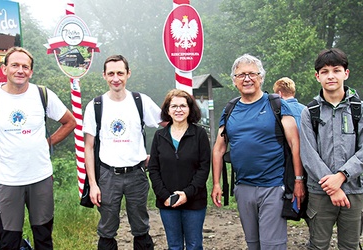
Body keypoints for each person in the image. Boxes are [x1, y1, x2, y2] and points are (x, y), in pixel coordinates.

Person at [0, 46, 76, 249]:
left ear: (31, 72)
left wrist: (47, 143)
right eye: (14, 65)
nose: (20, 70)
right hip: (7, 181)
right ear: (4, 68)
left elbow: (69, 122)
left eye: (25, 66)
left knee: (43, 239)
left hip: (40, 178)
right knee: (8, 241)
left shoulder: (43, 95)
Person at [211, 54, 305, 250]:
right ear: (234, 80)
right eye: (241, 75)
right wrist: (217, 183)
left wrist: (298, 180)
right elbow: (219, 149)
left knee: (273, 246)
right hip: (243, 187)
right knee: (253, 244)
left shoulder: (277, 105)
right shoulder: (230, 109)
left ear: (261, 77)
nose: (247, 79)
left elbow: (295, 144)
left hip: (273, 187)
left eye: (252, 74)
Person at [83, 54, 162, 250]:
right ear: (104, 75)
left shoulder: (140, 101)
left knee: (141, 226)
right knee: (107, 229)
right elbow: (88, 147)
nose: (115, 78)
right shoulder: (95, 106)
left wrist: (158, 155)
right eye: (111, 73)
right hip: (108, 176)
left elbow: (167, 124)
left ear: (128, 74)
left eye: (120, 73)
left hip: (136, 174)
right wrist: (93, 184)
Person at [300, 48, 363, 249]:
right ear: (317, 76)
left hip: (354, 190)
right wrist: (331, 186)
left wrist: (342, 176)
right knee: (317, 245)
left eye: (336, 70)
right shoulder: (309, 112)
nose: (331, 76)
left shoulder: (359, 109)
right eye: (325, 72)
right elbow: (308, 154)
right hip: (320, 192)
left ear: (346, 73)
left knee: (350, 245)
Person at [148, 89, 211, 250]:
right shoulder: (159, 136)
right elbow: (153, 169)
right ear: (167, 110)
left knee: (194, 245)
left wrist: (187, 193)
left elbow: (203, 168)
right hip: (167, 201)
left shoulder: (200, 134)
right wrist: (164, 195)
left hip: (194, 200)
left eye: (183, 106)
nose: (178, 110)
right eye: (174, 106)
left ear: (190, 109)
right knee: (174, 246)